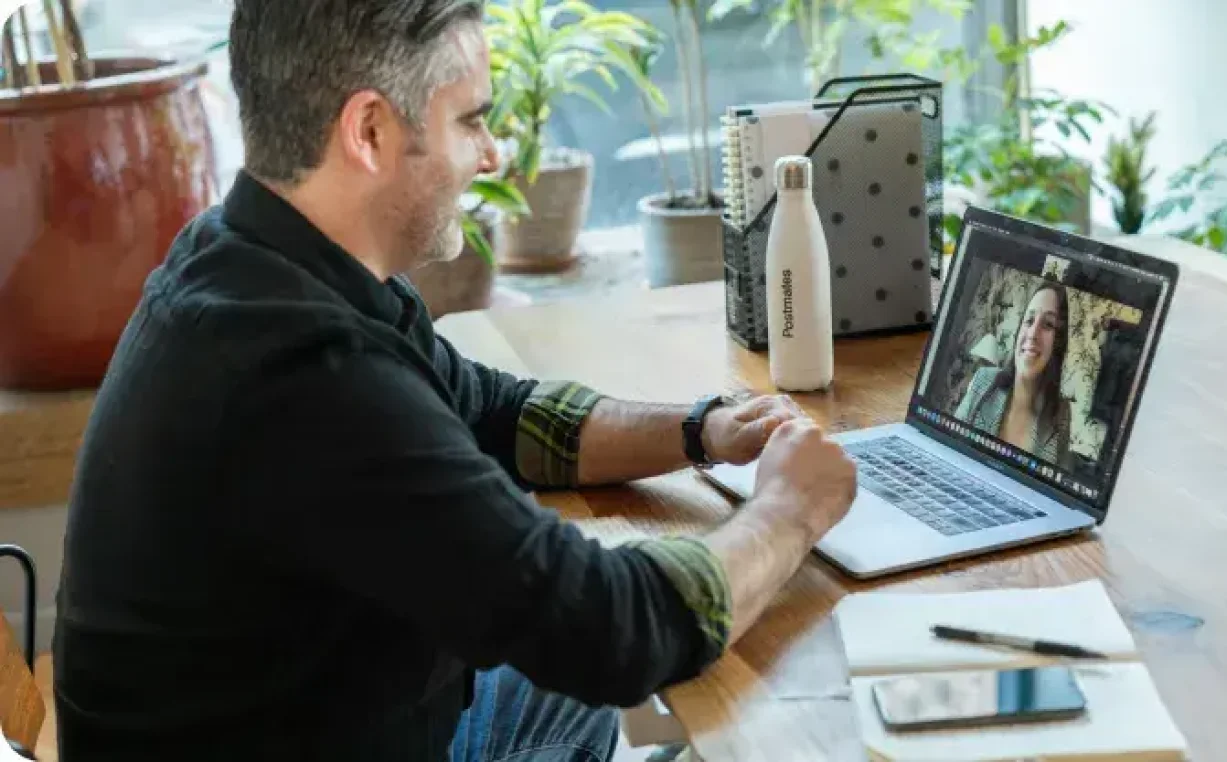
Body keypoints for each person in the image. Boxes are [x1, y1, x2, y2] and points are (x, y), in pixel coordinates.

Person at [50, 1, 859, 761]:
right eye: (471, 119)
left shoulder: (257, 259)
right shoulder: (304, 375)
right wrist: (790, 510)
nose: (494, 153)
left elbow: (496, 414)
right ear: (369, 129)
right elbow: (614, 632)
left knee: (565, 691)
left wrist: (703, 428)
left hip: (303, 718)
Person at [955, 281, 1073, 464]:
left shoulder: (1061, 414)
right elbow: (948, 445)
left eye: (1048, 324)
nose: (1033, 333)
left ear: (1058, 343)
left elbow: (1056, 483)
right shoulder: (983, 379)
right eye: (1029, 320)